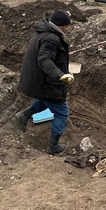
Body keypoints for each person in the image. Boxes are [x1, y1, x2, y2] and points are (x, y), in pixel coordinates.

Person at [14, 10, 75, 153]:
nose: (68, 29)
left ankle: (24, 115)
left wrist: (63, 70)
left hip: (39, 80)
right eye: (67, 26)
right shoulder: (51, 39)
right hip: (46, 81)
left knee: (46, 100)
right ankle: (53, 146)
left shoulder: (43, 32)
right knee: (62, 112)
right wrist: (60, 75)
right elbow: (45, 60)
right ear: (60, 26)